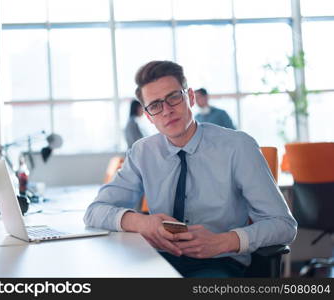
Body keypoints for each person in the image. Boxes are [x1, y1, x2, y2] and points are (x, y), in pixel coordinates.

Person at [84, 60, 297, 278]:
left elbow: (283, 225)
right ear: (148, 116)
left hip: (219, 262)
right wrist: (142, 222)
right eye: (155, 105)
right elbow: (94, 212)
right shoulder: (142, 152)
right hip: (157, 259)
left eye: (174, 97)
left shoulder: (238, 146)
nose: (166, 110)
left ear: (191, 98)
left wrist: (223, 241)